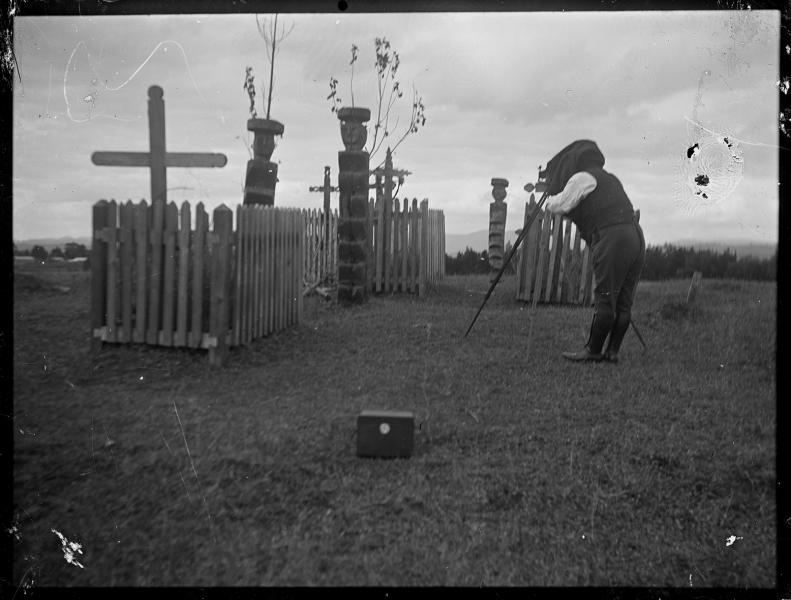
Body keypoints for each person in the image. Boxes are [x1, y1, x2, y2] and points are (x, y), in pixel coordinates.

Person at [541, 140, 645, 363]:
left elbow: (561, 205)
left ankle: (593, 351)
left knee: (605, 297)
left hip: (612, 237)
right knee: (624, 300)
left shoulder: (582, 178)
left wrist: (548, 200)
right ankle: (612, 352)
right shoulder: (610, 178)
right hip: (635, 235)